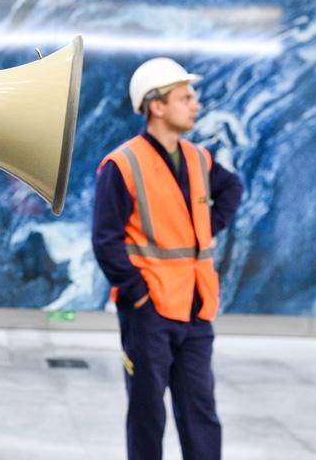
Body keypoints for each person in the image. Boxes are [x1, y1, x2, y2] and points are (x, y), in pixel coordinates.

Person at [92, 57, 243, 460]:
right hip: (149, 312)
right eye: (186, 97)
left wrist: (206, 226)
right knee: (148, 414)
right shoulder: (122, 165)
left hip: (195, 308)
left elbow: (232, 189)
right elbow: (105, 240)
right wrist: (138, 292)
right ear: (156, 106)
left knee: (201, 412)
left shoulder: (197, 158)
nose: (195, 104)